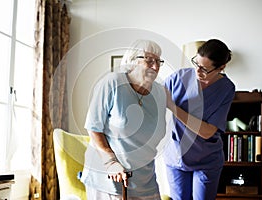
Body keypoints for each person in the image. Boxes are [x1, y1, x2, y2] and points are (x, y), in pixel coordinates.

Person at [80, 39, 167, 200]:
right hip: (110, 176)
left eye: (158, 61)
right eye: (149, 60)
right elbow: (94, 127)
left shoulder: (160, 93)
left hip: (145, 179)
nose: (155, 67)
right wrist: (111, 163)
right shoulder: (112, 82)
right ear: (133, 60)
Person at [164, 39, 235, 200]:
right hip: (176, 156)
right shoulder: (178, 78)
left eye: (204, 69)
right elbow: (153, 100)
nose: (197, 71)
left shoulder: (226, 88)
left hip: (206, 159)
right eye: (196, 63)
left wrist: (173, 107)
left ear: (221, 67)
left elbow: (207, 131)